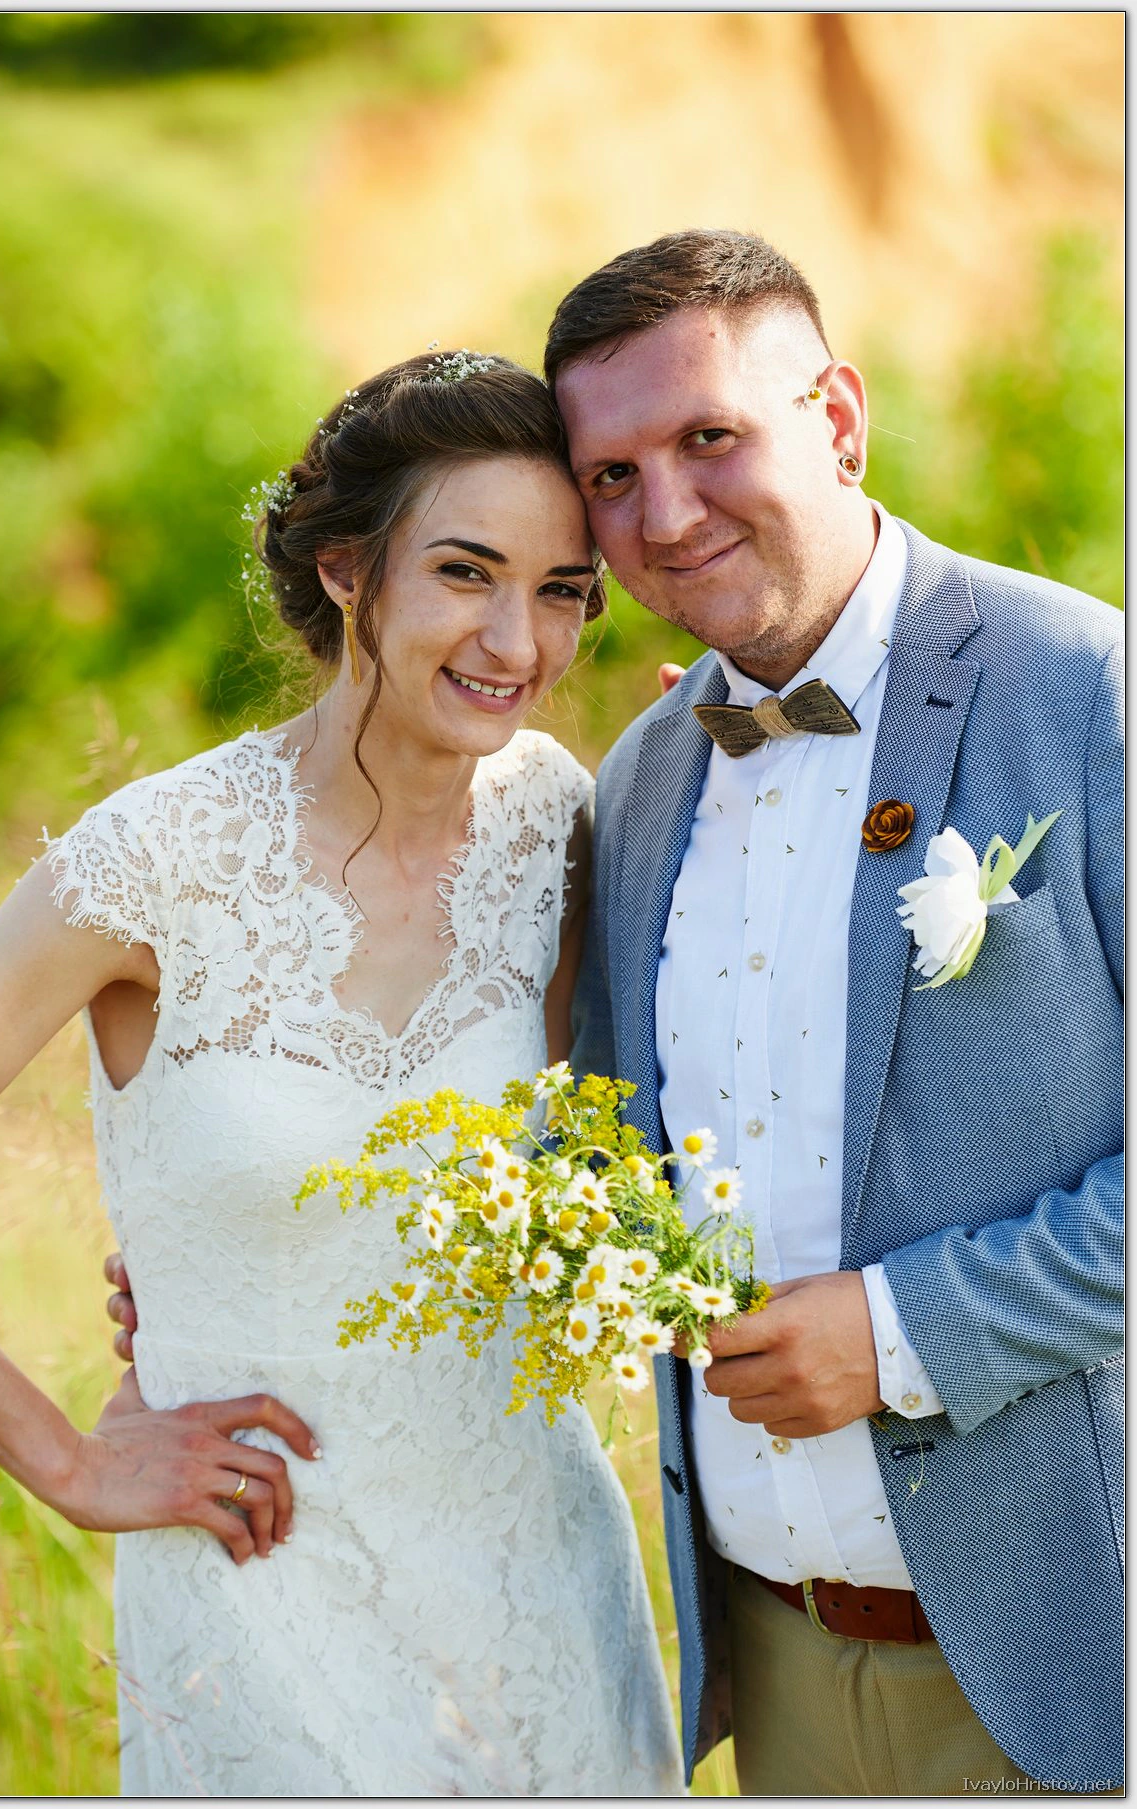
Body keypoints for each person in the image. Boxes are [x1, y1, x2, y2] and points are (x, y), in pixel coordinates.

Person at [0, 352, 685, 1796]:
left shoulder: (568, 825)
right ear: (349, 571)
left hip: (533, 1602)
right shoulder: (157, 859)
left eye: (562, 590)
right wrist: (64, 1461)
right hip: (257, 1601)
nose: (517, 642)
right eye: (464, 572)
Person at [549, 230, 1123, 1795]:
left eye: (709, 437)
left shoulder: (1087, 690)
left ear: (841, 419)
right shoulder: (640, 782)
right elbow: (588, 1151)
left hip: (1071, 1653)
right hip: (770, 1664)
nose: (666, 515)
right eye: (611, 477)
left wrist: (902, 1333)